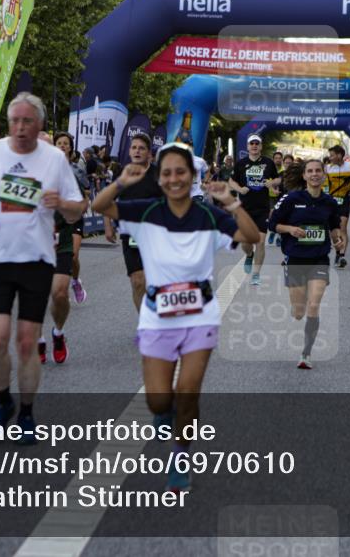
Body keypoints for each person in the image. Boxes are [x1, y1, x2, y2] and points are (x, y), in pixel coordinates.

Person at [91, 142, 260, 492]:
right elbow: (99, 207)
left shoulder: (209, 215)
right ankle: (164, 415)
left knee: (187, 392)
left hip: (200, 316)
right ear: (160, 177)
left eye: (180, 171)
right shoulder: (145, 211)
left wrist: (231, 202)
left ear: (192, 176)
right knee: (158, 400)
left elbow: (252, 236)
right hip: (157, 317)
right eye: (167, 172)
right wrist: (121, 182)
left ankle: (181, 454)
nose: (174, 178)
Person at [0, 93, 84, 441]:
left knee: (27, 342)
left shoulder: (54, 160)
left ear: (39, 124)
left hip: (36, 260)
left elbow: (78, 208)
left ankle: (27, 413)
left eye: (26, 121)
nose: (19, 127)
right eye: (14, 120)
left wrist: (61, 203)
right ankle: (3, 401)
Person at [269, 159, 344, 369]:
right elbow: (273, 224)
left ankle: (306, 353)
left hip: (319, 258)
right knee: (299, 311)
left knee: (314, 304)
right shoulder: (292, 199)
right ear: (304, 176)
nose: (314, 174)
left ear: (323, 174)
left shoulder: (329, 202)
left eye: (318, 171)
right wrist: (290, 230)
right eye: (310, 171)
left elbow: (334, 227)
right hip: (295, 259)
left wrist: (338, 239)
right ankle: (298, 314)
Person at [38, 133, 90, 365]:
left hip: (62, 239)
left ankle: (58, 334)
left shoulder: (69, 175)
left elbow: (82, 205)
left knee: (59, 293)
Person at [104, 133, 164, 312]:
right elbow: (107, 200)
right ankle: (146, 323)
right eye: (134, 147)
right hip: (130, 236)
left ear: (148, 154)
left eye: (141, 148)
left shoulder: (159, 175)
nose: (137, 151)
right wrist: (108, 226)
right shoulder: (123, 175)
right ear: (129, 151)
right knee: (138, 281)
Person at [229, 134, 280, 286]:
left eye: (257, 143)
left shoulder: (268, 163)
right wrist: (240, 189)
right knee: (246, 242)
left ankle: (256, 274)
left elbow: (278, 179)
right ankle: (249, 255)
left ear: (261, 146)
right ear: (248, 146)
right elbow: (231, 181)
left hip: (262, 208)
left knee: (261, 242)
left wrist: (271, 183)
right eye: (252, 143)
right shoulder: (241, 163)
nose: (255, 146)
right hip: (245, 208)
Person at [53, 132, 89, 303]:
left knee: (73, 256)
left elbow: (87, 195)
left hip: (74, 218)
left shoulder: (77, 170)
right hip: (54, 219)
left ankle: (75, 280)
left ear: (70, 147)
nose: (62, 145)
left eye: (65, 143)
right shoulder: (48, 168)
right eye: (59, 142)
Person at [323, 145, 350, 268]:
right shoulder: (328, 168)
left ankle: (342, 256)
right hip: (331, 201)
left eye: (332, 155)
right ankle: (337, 251)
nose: (330, 158)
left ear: (339, 155)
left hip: (344, 201)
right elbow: (323, 184)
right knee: (333, 232)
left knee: (343, 228)